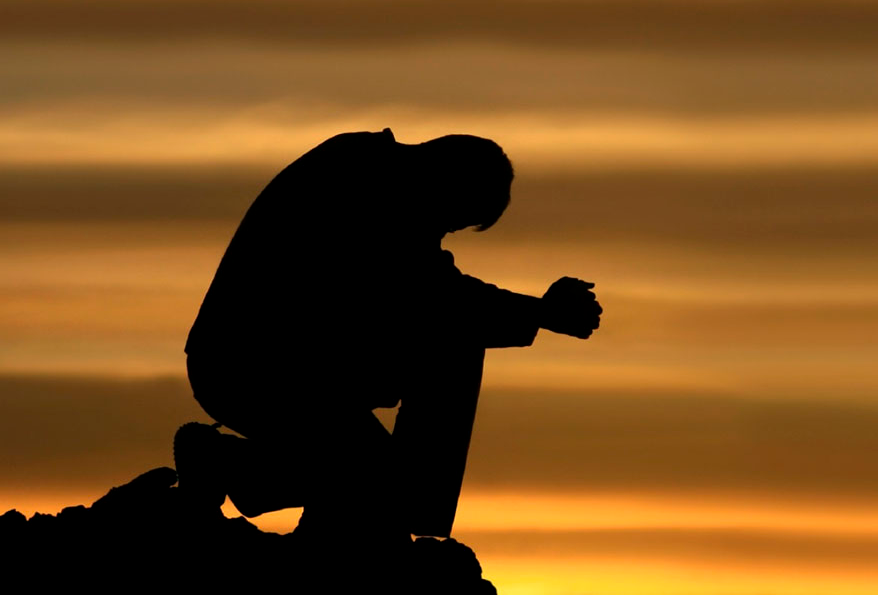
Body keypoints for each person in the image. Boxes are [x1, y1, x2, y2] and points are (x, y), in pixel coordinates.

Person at [180, 127, 601, 541]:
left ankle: (255, 475)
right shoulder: (365, 177)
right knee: (442, 364)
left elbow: (426, 289)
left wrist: (539, 311)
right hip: (253, 368)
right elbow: (429, 293)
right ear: (446, 181)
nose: (441, 234)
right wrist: (541, 312)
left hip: (297, 365)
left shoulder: (375, 173)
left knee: (381, 476)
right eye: (451, 220)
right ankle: (243, 469)